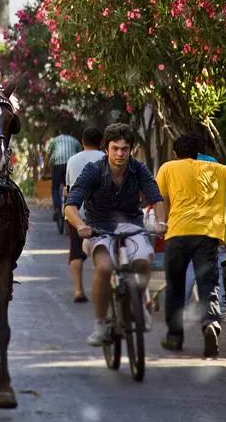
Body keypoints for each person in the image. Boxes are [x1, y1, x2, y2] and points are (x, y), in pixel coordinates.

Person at [64, 123, 165, 346]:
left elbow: (155, 197)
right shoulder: (93, 170)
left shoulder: (139, 169)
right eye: (115, 148)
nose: (120, 154)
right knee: (104, 267)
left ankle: (140, 303)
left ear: (131, 150)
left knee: (143, 262)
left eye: (124, 149)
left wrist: (160, 222)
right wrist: (80, 226)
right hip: (98, 228)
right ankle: (100, 325)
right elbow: (70, 205)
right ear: (106, 149)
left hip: (131, 225)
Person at [157, 133, 226, 357]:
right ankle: (210, 323)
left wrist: (164, 222)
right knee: (208, 283)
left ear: (175, 153)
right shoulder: (216, 169)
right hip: (208, 235)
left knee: (175, 286)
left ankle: (175, 337)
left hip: (177, 233)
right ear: (197, 153)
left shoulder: (167, 168)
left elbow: (162, 199)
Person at [175, 134, 226, 317]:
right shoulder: (212, 162)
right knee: (218, 262)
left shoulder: (175, 166)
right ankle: (222, 304)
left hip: (186, 224)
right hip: (212, 223)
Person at [63, 127, 104, 303]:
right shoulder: (106, 158)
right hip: (101, 213)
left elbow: (68, 188)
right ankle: (104, 285)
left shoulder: (72, 160)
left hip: (76, 214)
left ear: (82, 142)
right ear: (101, 142)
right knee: (104, 250)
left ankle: (78, 290)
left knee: (75, 250)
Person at [45, 128, 81, 224]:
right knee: (70, 186)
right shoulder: (75, 141)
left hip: (58, 166)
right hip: (71, 165)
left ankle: (57, 209)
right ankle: (72, 208)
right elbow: (80, 154)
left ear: (60, 132)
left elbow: (48, 154)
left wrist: (47, 168)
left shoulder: (55, 140)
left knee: (55, 188)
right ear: (70, 132)